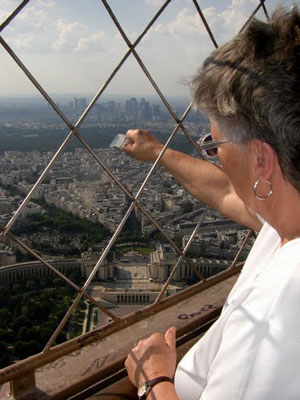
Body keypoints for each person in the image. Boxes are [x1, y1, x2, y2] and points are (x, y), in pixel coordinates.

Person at [124, 6, 300, 400]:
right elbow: (227, 193)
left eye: (214, 145)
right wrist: (157, 151)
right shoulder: (287, 216)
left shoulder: (287, 299)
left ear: (261, 160)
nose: (213, 155)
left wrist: (153, 377)